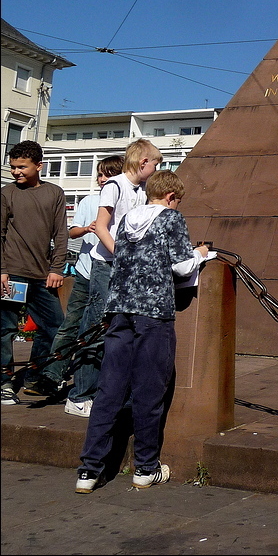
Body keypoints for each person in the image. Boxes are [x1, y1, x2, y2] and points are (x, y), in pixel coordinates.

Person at [76, 169, 209, 493]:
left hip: (120, 312)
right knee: (149, 393)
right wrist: (200, 254)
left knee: (109, 393)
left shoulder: (128, 219)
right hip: (154, 314)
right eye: (177, 201)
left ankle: (88, 472)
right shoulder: (171, 219)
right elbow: (180, 266)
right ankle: (145, 469)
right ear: (171, 197)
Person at [65, 138, 162, 418]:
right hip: (107, 266)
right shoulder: (115, 186)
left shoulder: (143, 189)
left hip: (128, 268)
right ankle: (79, 395)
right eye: (155, 163)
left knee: (122, 330)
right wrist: (120, 255)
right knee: (95, 327)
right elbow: (102, 228)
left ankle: (111, 393)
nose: (156, 168)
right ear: (144, 162)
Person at [24, 155, 124, 399]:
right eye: (99, 175)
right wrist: (88, 228)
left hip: (108, 271)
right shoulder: (89, 201)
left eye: (107, 175)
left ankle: (92, 382)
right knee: (69, 325)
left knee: (97, 330)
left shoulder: (126, 200)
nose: (102, 180)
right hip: (84, 270)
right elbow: (72, 231)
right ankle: (52, 376)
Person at [1, 141, 67, 405]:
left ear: (39, 166)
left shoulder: (55, 193)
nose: (16, 172)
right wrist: (2, 270)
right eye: (13, 167)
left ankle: (35, 375)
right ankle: (4, 381)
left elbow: (61, 233)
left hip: (42, 276)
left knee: (54, 326)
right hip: (12, 274)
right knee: (6, 329)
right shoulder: (7, 193)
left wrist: (57, 268)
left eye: (22, 167)